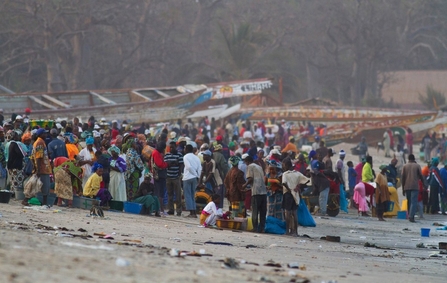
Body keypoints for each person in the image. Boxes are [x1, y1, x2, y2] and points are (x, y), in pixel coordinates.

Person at [281, 158, 310, 236]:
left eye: (283, 165)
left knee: (287, 213)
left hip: (288, 194)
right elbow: (307, 180)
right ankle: (295, 232)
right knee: (294, 213)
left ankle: (287, 231)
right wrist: (299, 186)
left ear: (286, 165)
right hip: (296, 195)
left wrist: (290, 189)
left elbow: (284, 183)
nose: (283, 167)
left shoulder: (285, 174)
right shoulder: (297, 173)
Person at [242, 155, 267, 233]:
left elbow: (250, 178)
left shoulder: (250, 166)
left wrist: (244, 185)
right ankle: (262, 228)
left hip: (256, 192)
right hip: (263, 190)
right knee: (263, 212)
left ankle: (255, 227)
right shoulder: (259, 167)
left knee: (255, 210)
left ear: (247, 161)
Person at [401, 154, 425, 222]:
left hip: (407, 186)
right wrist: (424, 185)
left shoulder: (405, 166)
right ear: (414, 159)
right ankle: (411, 216)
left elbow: (403, 178)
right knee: (414, 202)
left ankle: (409, 215)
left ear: (408, 159)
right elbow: (421, 176)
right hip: (415, 186)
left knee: (409, 201)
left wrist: (403, 188)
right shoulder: (417, 166)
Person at [33, 128, 52, 206]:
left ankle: (44, 202)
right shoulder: (40, 142)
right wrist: (38, 170)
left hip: (44, 167)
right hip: (43, 168)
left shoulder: (40, 142)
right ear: (40, 134)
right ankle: (44, 202)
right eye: (44, 133)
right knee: (45, 186)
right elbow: (38, 157)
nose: (46, 135)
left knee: (44, 185)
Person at [164, 141, 184, 216]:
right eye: (170, 147)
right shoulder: (167, 155)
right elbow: (166, 164)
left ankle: (179, 211)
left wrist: (179, 174)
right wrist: (174, 163)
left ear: (176, 147)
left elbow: (181, 165)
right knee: (170, 194)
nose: (171, 149)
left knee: (178, 195)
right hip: (168, 177)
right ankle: (171, 209)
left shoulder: (179, 155)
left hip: (176, 177)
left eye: (173, 147)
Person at [182, 144, 201, 218]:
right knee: (193, 195)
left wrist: (194, 173)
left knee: (188, 195)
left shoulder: (186, 157)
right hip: (194, 178)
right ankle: (194, 212)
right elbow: (200, 168)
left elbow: (188, 167)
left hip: (187, 177)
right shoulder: (196, 158)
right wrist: (198, 176)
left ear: (187, 149)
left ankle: (191, 212)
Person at [309, 150, 330, 215]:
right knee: (322, 198)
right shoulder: (315, 163)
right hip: (324, 184)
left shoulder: (313, 164)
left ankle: (323, 212)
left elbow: (317, 171)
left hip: (324, 185)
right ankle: (322, 211)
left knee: (322, 198)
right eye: (317, 154)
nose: (318, 155)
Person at [150, 141, 168, 212]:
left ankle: (159, 208)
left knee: (160, 191)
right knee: (160, 192)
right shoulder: (156, 153)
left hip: (159, 174)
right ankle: (160, 208)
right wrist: (167, 164)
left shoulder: (157, 152)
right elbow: (159, 164)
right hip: (159, 174)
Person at [7, 130, 25, 195]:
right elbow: (21, 154)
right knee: (17, 181)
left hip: (11, 165)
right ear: (14, 136)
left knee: (13, 181)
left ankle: (12, 193)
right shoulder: (15, 144)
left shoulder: (10, 144)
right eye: (17, 135)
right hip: (17, 166)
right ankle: (17, 194)